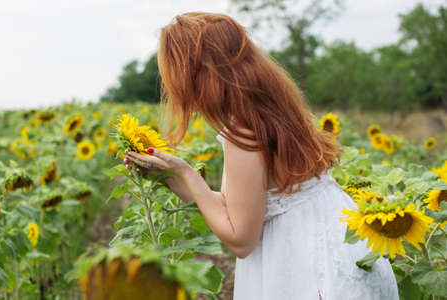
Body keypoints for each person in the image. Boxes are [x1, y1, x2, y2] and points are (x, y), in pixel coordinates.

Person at [123, 12, 399, 300]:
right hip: (339, 254)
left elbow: (241, 239)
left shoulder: (243, 131)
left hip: (307, 270)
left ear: (196, 73)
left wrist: (188, 173)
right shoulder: (269, 109)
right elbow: (251, 207)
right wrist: (173, 177)